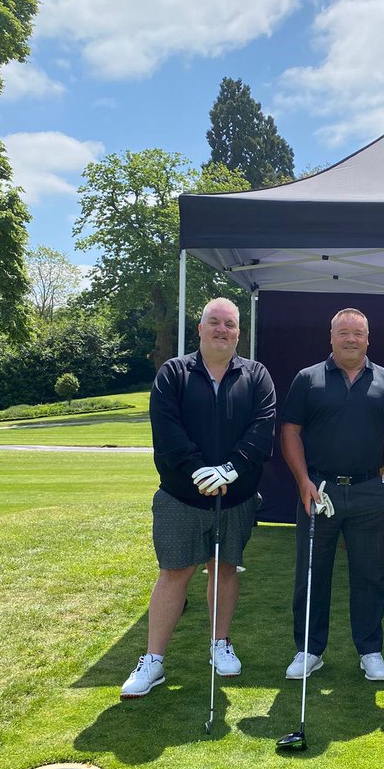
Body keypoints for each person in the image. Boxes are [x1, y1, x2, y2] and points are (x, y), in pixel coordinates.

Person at [120, 297, 276, 699]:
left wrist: (232, 468)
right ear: (200, 328)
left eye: (229, 324)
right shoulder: (174, 372)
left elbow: (262, 429)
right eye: (214, 322)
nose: (222, 329)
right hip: (181, 496)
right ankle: (153, 659)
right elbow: (167, 431)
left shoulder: (256, 375)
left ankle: (219, 643)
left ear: (239, 332)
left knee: (224, 568)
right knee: (174, 572)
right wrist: (196, 470)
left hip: (236, 496)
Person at [280, 308, 384, 682]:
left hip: (370, 491)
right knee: (312, 573)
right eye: (344, 332)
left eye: (358, 333)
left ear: (368, 338)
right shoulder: (308, 379)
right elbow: (290, 432)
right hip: (319, 490)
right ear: (330, 336)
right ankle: (309, 649)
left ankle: (370, 650)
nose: (351, 339)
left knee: (369, 574)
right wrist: (303, 481)